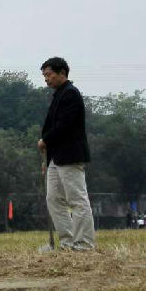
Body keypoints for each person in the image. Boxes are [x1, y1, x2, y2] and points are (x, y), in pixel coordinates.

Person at [37, 56, 95, 252]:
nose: (46, 79)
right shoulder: (58, 95)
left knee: (77, 200)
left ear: (62, 73)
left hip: (70, 155)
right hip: (55, 157)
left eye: (49, 75)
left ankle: (84, 244)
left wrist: (45, 140)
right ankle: (67, 242)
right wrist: (47, 158)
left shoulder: (71, 94)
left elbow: (64, 126)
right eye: (44, 76)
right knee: (53, 199)